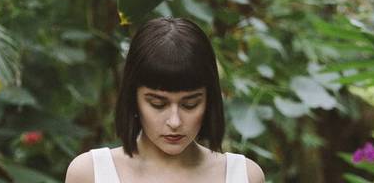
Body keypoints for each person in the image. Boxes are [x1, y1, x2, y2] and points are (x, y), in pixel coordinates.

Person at [65, 17, 265, 183]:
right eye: (157, 104)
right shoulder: (89, 173)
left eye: (190, 104)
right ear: (133, 98)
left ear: (210, 101)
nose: (174, 122)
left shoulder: (244, 176)